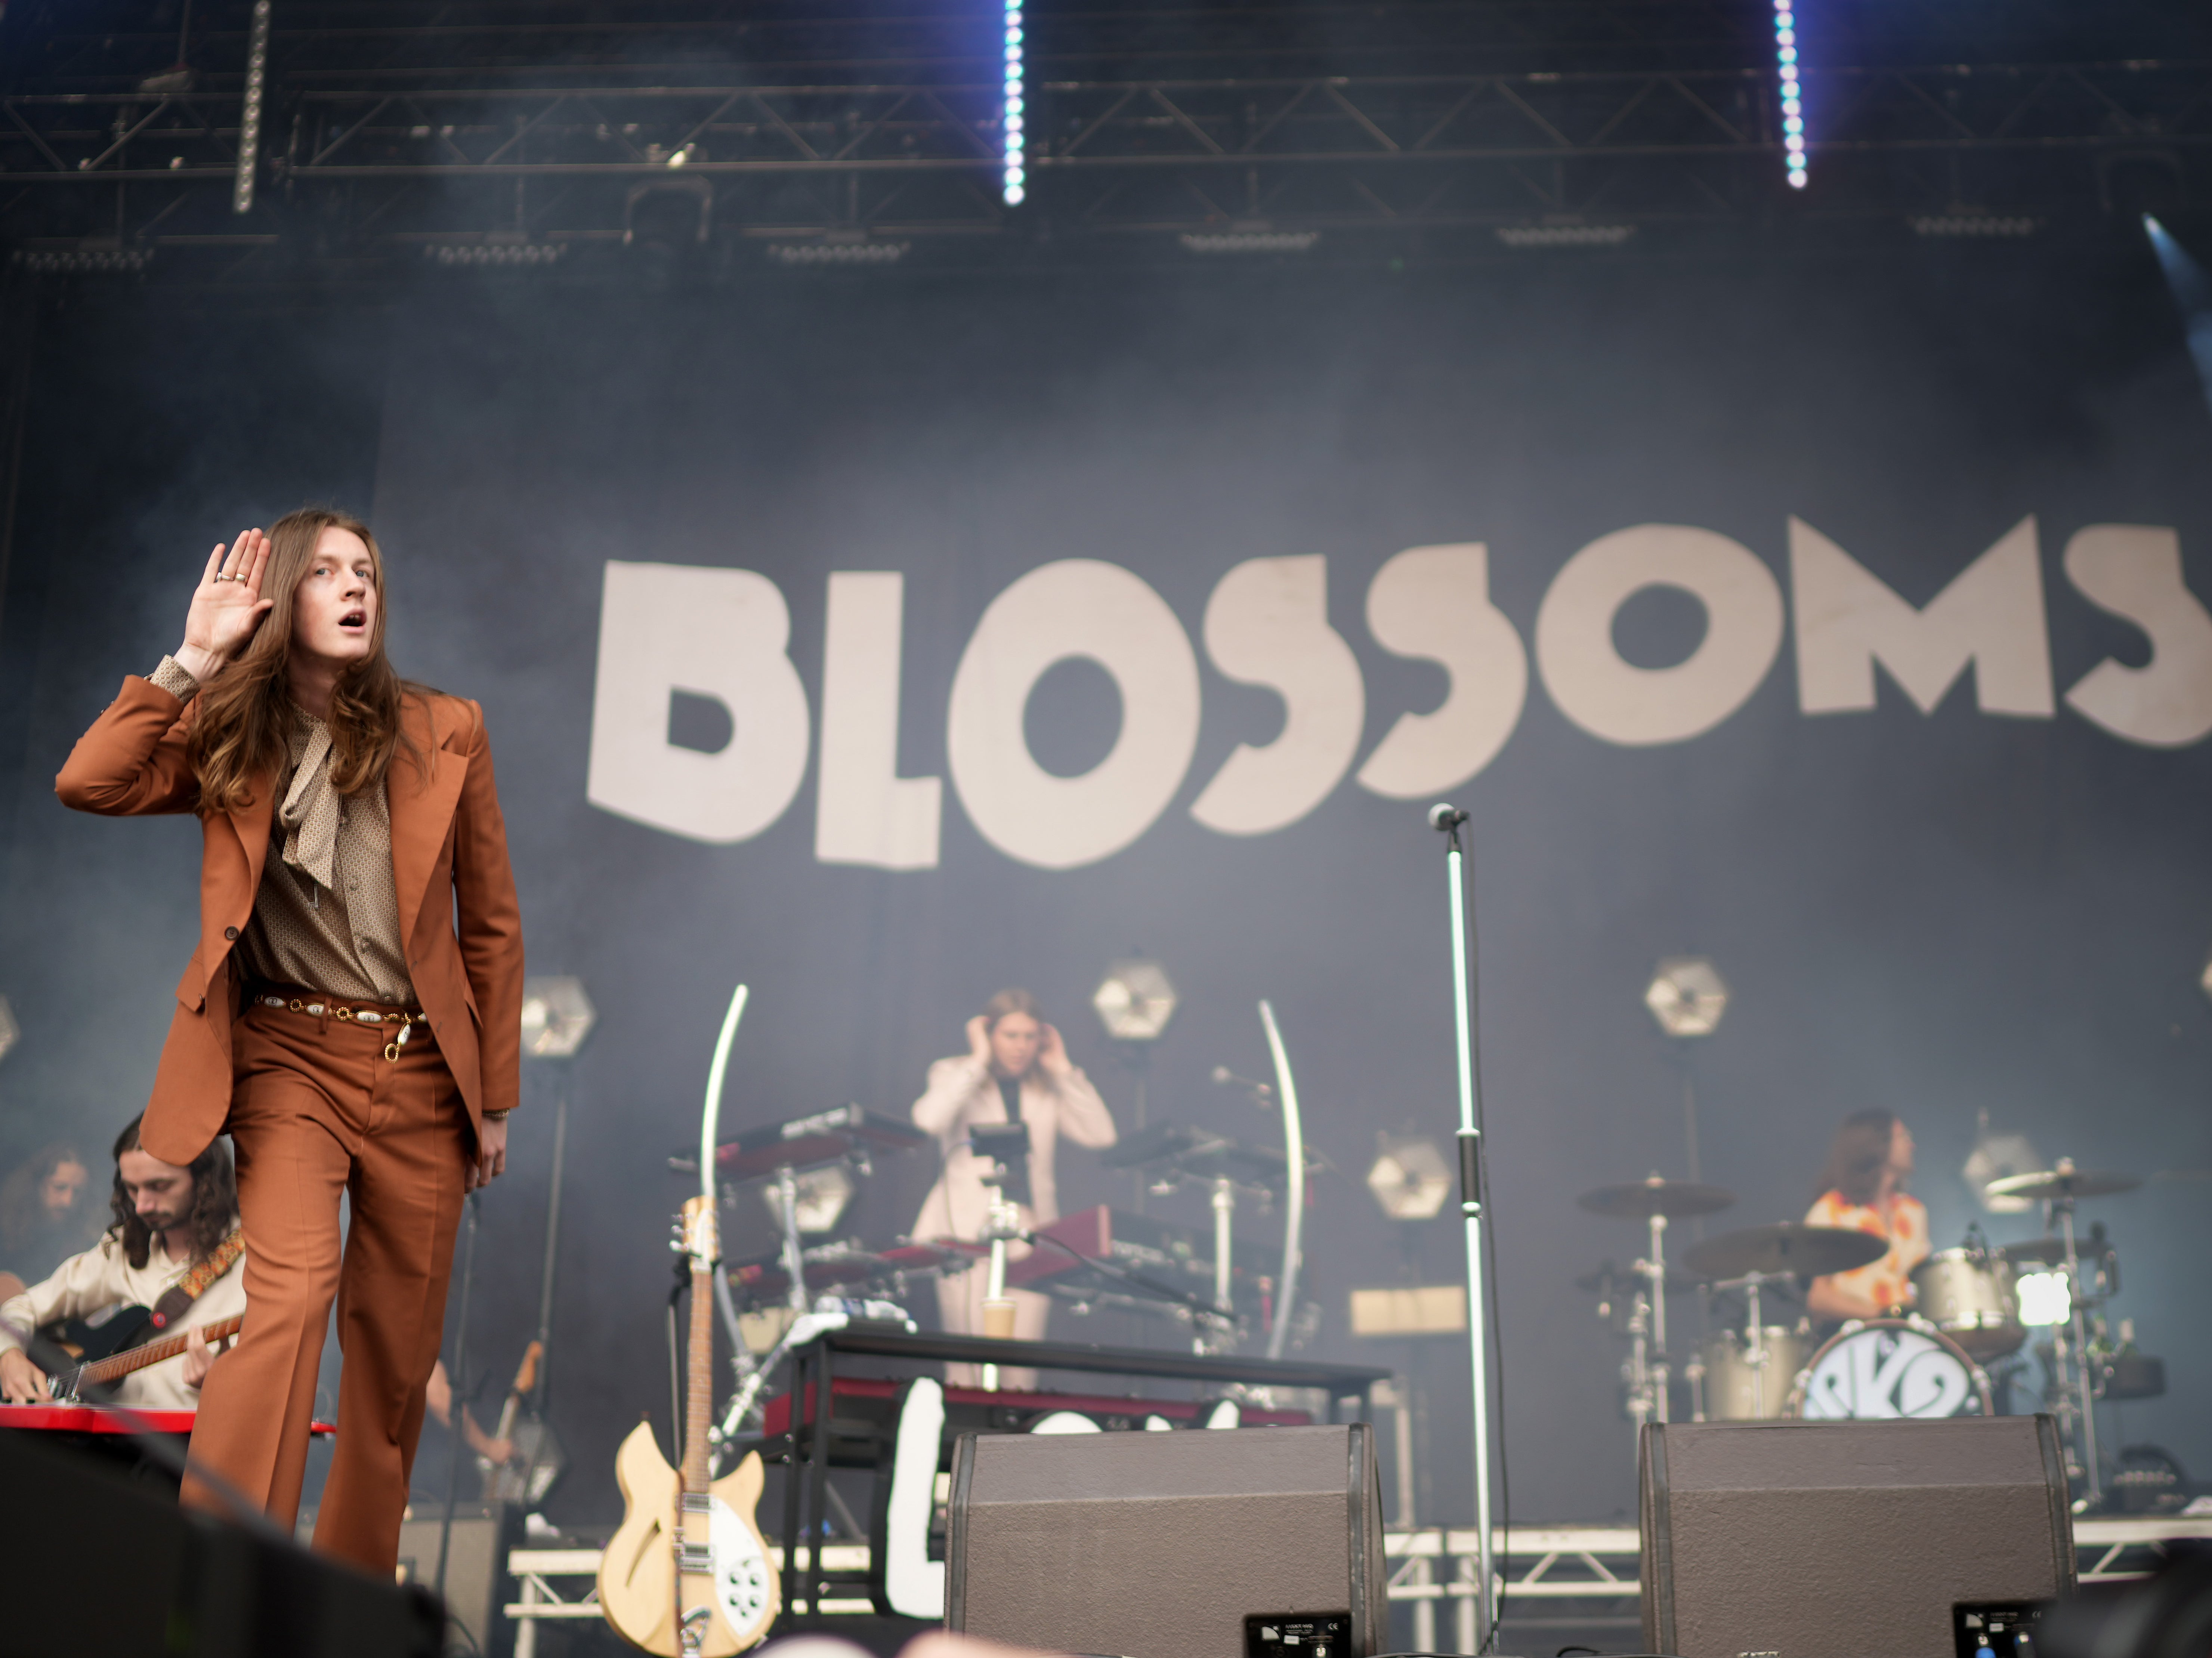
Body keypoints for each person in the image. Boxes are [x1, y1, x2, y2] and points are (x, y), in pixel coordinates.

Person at [54, 509, 524, 1574]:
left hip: (420, 1073)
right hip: (285, 1059)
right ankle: (222, 1581)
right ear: (282, 601)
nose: (356, 586)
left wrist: (493, 1094)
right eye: (326, 570)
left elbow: (490, 921)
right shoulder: (230, 726)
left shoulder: (448, 726)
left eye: (366, 571)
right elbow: (91, 781)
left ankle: (345, 1602)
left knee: (396, 1357)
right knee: (293, 1291)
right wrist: (192, 655)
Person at [911, 989, 1117, 1387]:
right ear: (989, 1033)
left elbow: (1102, 1135)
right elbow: (928, 1120)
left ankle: (1012, 1450)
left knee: (1020, 1369)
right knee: (968, 1365)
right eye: (1010, 1036)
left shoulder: (1047, 1088)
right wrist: (978, 1061)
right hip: (964, 1234)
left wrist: (1062, 1069)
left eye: (1029, 1036)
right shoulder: (954, 1072)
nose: (1021, 1047)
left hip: (1029, 1238)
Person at [0, 1117, 245, 1409]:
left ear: (205, 1181)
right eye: (132, 1189)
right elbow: (22, 1307)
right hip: (99, 1446)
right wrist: (9, 1355)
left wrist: (224, 1386)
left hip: (183, 1449)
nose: (142, 1205)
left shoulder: (255, 1261)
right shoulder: (122, 1247)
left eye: (159, 1186)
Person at [1804, 1109, 1928, 1322]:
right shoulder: (1832, 1210)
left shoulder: (1914, 1211)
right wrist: (1883, 1315)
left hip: (1909, 1335)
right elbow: (1819, 1298)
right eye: (1903, 1137)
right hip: (1855, 1337)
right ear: (1877, 1146)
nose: (1912, 1145)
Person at [0, 1142, 100, 1298]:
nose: (68, 1201)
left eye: (77, 1192)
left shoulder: (85, 1243)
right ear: (38, 1185)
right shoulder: (6, 1232)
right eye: (60, 1187)